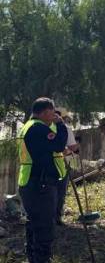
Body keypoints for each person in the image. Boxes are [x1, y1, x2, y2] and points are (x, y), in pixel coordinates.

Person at [17, 97, 68, 263]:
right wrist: (60, 124)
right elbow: (59, 144)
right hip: (41, 184)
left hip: (29, 182)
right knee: (45, 226)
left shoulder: (26, 127)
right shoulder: (39, 128)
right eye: (53, 112)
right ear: (46, 111)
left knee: (34, 223)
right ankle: (41, 259)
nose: (54, 116)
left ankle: (33, 257)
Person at [55, 109, 79, 226]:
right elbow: (73, 147)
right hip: (61, 164)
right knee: (60, 191)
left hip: (45, 165)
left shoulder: (42, 128)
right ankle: (57, 217)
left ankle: (50, 217)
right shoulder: (65, 128)